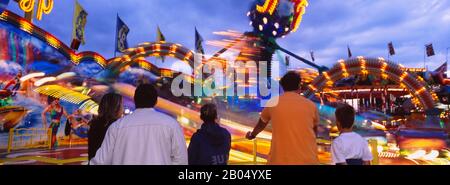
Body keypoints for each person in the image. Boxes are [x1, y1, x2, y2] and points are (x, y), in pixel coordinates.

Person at [90, 84, 188, 165]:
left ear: (135, 100)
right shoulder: (172, 125)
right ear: (156, 101)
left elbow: (100, 161)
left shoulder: (116, 127)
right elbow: (181, 160)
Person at [246, 71, 320, 165]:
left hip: (279, 161)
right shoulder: (311, 105)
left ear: (282, 87)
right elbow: (314, 131)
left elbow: (261, 124)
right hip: (308, 160)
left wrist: (252, 135)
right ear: (299, 86)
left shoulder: (273, 103)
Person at [88, 93, 123, 161]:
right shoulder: (117, 126)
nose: (123, 109)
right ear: (116, 107)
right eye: (122, 105)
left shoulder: (94, 123)